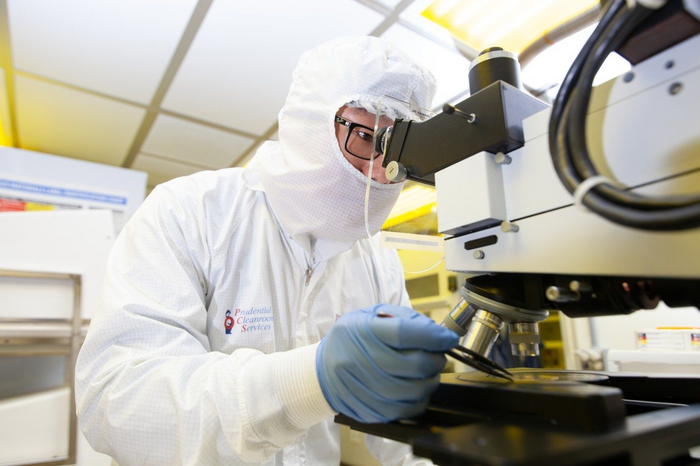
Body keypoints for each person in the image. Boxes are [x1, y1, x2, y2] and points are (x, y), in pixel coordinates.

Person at [75, 35, 458, 465]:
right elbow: (117, 403)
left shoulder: (377, 262)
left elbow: (397, 438)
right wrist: (309, 382)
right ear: (311, 122)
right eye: (368, 137)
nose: (380, 172)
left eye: (398, 150)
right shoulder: (189, 212)